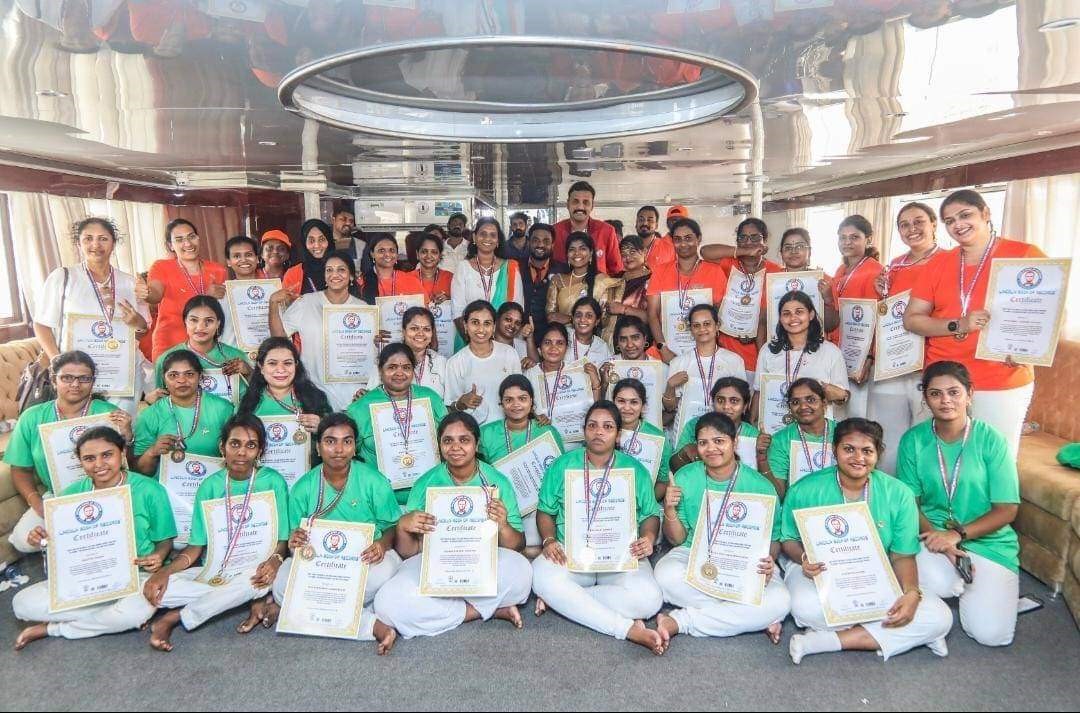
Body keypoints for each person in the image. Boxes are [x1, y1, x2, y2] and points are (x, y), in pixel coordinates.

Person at [782, 418, 953, 664]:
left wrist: (912, 593)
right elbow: (787, 538)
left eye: (867, 451)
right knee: (804, 607)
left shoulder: (899, 494)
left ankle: (828, 640)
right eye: (849, 449)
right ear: (834, 450)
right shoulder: (805, 489)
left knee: (940, 617)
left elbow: (902, 555)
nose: (857, 457)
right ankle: (902, 633)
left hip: (875, 574)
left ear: (879, 454)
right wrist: (802, 558)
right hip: (818, 572)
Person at [904, 188, 1046, 456]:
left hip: (1000, 378)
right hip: (942, 379)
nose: (958, 224)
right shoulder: (938, 264)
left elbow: (1048, 314)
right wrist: (960, 325)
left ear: (986, 214)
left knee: (995, 460)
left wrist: (1031, 349)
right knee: (936, 460)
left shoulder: (1025, 254)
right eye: (949, 220)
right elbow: (912, 319)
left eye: (965, 215)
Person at [12, 427, 176, 650]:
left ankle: (53, 628)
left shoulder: (150, 490)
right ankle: (104, 615)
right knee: (21, 603)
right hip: (86, 577)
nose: (99, 464)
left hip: (137, 575)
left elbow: (165, 540)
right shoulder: (69, 495)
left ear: (122, 452)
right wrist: (40, 537)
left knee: (131, 614)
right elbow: (60, 543)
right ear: (79, 461)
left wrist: (159, 555)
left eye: (107, 455)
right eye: (89, 458)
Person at [374, 413, 533, 638]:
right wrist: (403, 526)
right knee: (385, 604)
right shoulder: (425, 483)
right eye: (448, 440)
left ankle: (448, 608)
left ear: (477, 444)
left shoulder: (497, 481)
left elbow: (516, 546)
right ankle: (482, 610)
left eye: (464, 440)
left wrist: (504, 525)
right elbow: (409, 553)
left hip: (481, 560)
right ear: (439, 445)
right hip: (435, 561)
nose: (455, 447)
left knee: (522, 571)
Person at [896, 361, 1020, 647]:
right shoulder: (913, 440)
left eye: (954, 392)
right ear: (925, 398)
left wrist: (957, 535)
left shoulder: (992, 440)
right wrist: (940, 540)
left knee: (992, 636)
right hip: (933, 537)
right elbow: (909, 505)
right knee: (942, 582)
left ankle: (988, 591)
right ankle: (946, 599)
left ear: (970, 394)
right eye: (935, 393)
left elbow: (1007, 509)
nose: (945, 401)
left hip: (986, 541)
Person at [142, 414, 291, 651]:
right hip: (216, 567)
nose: (242, 452)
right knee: (159, 588)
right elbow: (195, 548)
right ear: (222, 447)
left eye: (250, 445)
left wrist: (274, 561)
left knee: (257, 582)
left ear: (260, 450)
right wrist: (165, 572)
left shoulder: (273, 482)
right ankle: (237, 599)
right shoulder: (209, 486)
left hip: (256, 567)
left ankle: (174, 618)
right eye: (235, 444)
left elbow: (283, 540)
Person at [531, 401, 665, 654]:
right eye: (592, 426)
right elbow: (545, 511)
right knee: (540, 576)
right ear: (584, 430)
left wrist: (648, 537)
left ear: (618, 434)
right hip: (569, 552)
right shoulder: (562, 464)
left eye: (607, 426)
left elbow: (650, 515)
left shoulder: (634, 469)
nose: (599, 432)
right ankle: (626, 629)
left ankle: (564, 601)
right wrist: (549, 541)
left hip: (620, 555)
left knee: (650, 600)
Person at [261, 413, 401, 654]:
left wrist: (381, 543)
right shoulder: (303, 486)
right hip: (320, 563)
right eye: (330, 441)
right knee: (282, 584)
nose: (338, 449)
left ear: (355, 447)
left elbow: (392, 527)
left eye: (347, 441)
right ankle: (370, 624)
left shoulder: (373, 480)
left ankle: (296, 610)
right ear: (318, 447)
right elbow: (294, 539)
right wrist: (295, 541)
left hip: (365, 558)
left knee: (385, 573)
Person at [654, 413, 790, 647]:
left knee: (782, 600)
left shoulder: (761, 486)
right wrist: (669, 510)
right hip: (694, 551)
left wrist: (770, 560)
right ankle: (753, 617)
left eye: (719, 441)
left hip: (745, 560)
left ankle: (681, 620)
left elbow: (774, 539)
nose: (711, 449)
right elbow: (677, 539)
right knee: (664, 574)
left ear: (734, 442)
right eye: (703, 443)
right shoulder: (686, 476)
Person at [3, 351, 132, 554]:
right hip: (58, 496)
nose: (75, 384)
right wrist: (37, 502)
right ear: (54, 380)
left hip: (107, 492)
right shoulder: (32, 417)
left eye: (84, 378)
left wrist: (127, 435)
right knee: (23, 541)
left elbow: (128, 465)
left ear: (93, 381)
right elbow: (20, 469)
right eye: (67, 378)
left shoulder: (108, 413)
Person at [33, 217, 151, 414]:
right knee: (80, 433)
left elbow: (142, 330)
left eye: (103, 239)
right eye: (88, 238)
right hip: (76, 375)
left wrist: (135, 321)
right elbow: (41, 324)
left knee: (120, 430)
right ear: (79, 243)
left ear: (113, 243)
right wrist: (58, 363)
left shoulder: (130, 282)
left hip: (121, 372)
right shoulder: (63, 277)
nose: (95, 245)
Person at [867, 202, 940, 472]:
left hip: (928, 363)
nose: (912, 229)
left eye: (919, 221)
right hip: (893, 363)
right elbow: (890, 315)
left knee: (925, 436)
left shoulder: (948, 262)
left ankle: (921, 500)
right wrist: (881, 295)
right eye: (904, 224)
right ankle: (890, 495)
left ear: (934, 224)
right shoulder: (895, 266)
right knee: (887, 434)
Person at [348, 344, 448, 506]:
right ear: (380, 371)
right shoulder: (360, 407)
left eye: (406, 367)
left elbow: (448, 439)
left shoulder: (431, 398)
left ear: (413, 370)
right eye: (392, 367)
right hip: (380, 499)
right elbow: (350, 455)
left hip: (429, 496)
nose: (399, 373)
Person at [478, 375, 566, 556]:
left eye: (522, 399)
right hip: (505, 508)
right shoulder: (486, 433)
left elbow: (560, 476)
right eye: (509, 400)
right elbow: (480, 475)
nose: (516, 404)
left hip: (540, 508)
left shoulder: (547, 431)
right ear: (501, 404)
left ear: (532, 402)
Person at [269, 250, 368, 410]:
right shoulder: (307, 302)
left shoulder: (363, 309)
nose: (334, 274)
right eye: (329, 270)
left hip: (353, 393)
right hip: (314, 390)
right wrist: (273, 305)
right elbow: (279, 340)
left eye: (341, 269)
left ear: (351, 276)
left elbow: (371, 353)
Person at [133, 350, 236, 475]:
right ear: (163, 379)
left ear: (200, 376)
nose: (181, 380)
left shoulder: (223, 409)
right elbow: (141, 472)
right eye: (173, 375)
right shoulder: (149, 415)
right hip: (167, 490)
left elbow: (236, 457)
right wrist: (152, 452)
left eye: (189, 374)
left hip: (212, 485)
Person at [138, 218, 228, 360]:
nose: (187, 244)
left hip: (207, 346)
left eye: (191, 237)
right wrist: (147, 293)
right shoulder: (161, 267)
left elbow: (222, 311)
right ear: (170, 245)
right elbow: (155, 294)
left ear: (198, 238)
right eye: (179, 239)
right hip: (170, 345)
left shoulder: (217, 270)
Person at [753, 291, 850, 419]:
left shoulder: (831, 352)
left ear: (811, 315)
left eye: (799, 312)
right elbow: (759, 392)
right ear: (780, 319)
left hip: (815, 431)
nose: (793, 318)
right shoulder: (768, 350)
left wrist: (840, 395)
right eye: (786, 314)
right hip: (776, 427)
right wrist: (754, 423)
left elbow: (843, 396)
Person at [647, 218, 729, 361]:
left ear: (699, 238)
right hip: (667, 353)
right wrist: (663, 348)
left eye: (688, 238)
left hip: (705, 352)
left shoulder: (714, 271)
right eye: (677, 239)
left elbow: (720, 314)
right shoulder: (660, 271)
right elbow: (652, 314)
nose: (683, 244)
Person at [827, 215, 885, 418]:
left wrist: (871, 356)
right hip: (839, 349)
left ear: (868, 239)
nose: (847, 243)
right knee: (838, 413)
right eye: (842, 238)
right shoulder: (841, 269)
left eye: (854, 237)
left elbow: (879, 319)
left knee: (857, 414)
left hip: (861, 354)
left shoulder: (875, 271)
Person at [713, 219, 785, 377]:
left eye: (754, 237)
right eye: (742, 238)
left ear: (764, 240)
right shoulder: (729, 264)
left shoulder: (776, 272)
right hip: (727, 351)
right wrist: (744, 251)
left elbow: (777, 315)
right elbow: (705, 252)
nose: (748, 242)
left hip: (758, 353)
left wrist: (755, 331)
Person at [663, 304, 744, 435]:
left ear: (717, 326)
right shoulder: (679, 362)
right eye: (696, 325)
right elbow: (670, 407)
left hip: (722, 429)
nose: (702, 329)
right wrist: (670, 386)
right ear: (690, 329)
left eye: (707, 324)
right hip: (686, 431)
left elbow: (740, 403)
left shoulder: (734, 361)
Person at [152, 296, 250, 401]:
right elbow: (161, 401)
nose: (200, 327)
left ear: (218, 323)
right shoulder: (166, 359)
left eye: (209, 320)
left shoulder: (236, 357)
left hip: (232, 417)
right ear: (185, 321)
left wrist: (249, 372)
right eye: (194, 320)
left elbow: (256, 396)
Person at [445, 300, 522, 426]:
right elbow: (450, 409)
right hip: (474, 433)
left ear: (494, 326)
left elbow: (520, 394)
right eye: (475, 322)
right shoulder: (455, 363)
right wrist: (461, 403)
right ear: (465, 325)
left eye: (487, 323)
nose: (481, 329)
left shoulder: (509, 353)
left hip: (507, 430)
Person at [236, 338, 331, 439]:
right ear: (261, 367)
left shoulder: (315, 398)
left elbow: (334, 439)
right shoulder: (248, 402)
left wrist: (323, 428)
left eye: (287, 363)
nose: (281, 370)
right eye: (272, 363)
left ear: (296, 365)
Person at [524, 323, 603, 444]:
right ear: (539, 347)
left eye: (560, 343)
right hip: (542, 439)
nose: (553, 348)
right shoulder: (530, 374)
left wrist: (596, 383)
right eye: (547, 342)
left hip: (575, 444)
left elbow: (595, 409)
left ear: (567, 347)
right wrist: (535, 417)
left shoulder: (578, 372)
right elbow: (523, 408)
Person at [450, 218, 524, 345]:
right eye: (483, 234)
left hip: (503, 342)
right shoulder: (463, 268)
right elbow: (457, 311)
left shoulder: (510, 268)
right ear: (474, 237)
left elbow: (517, 309)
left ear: (498, 240)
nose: (487, 239)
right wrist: (475, 344)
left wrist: (494, 345)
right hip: (468, 342)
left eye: (493, 235)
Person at [760, 378, 837, 499]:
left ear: (824, 403)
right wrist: (762, 459)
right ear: (789, 408)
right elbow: (779, 494)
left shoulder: (843, 433)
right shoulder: (780, 440)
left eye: (811, 400)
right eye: (795, 402)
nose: (803, 406)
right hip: (797, 506)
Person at [670, 377, 761, 475]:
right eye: (720, 400)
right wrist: (684, 453)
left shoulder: (753, 434)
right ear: (713, 402)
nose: (726, 406)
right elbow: (674, 468)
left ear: (745, 406)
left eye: (734, 401)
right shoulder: (694, 425)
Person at [364, 307, 449, 400]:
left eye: (426, 329)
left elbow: (448, 402)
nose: (420, 333)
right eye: (414, 328)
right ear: (404, 331)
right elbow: (371, 396)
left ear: (432, 333)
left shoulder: (442, 363)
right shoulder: (387, 359)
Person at [545, 233, 620, 336]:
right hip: (563, 340)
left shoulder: (602, 281)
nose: (577, 253)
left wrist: (570, 319)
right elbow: (551, 316)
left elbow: (604, 320)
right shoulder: (557, 280)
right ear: (567, 254)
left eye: (582, 249)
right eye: (572, 249)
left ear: (591, 253)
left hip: (592, 340)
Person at [612, 378, 671, 500]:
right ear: (613, 402)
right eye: (621, 401)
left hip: (644, 504)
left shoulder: (657, 438)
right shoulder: (603, 431)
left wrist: (645, 505)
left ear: (643, 407)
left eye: (634, 402)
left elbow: (662, 481)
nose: (627, 408)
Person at [553, 181, 623, 275]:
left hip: (598, 288)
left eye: (586, 202)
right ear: (568, 204)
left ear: (592, 206)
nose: (580, 207)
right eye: (575, 201)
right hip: (562, 288)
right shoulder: (554, 231)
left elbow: (616, 270)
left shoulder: (606, 231)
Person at [519, 222, 567, 346]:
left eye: (546, 241)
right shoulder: (515, 267)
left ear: (552, 245)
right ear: (528, 242)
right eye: (535, 240)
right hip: (519, 337)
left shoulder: (564, 270)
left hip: (552, 341)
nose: (540, 245)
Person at [603, 235, 652, 343]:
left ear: (644, 251)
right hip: (611, 340)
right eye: (623, 255)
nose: (628, 257)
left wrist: (623, 309)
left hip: (640, 341)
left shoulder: (653, 280)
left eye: (632, 252)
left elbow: (655, 318)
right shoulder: (614, 280)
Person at [358, 234, 425, 306]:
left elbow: (424, 311)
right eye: (381, 250)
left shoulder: (411, 281)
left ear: (397, 254)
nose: (387, 254)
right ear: (372, 254)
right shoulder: (361, 282)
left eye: (392, 250)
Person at [281, 219, 332, 296]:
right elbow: (287, 305)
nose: (317, 245)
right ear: (304, 243)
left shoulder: (342, 269)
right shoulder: (293, 274)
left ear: (329, 241)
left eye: (322, 239)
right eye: (311, 240)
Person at [566, 296, 613, 368]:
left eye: (589, 316)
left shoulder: (602, 347)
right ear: (573, 319)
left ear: (597, 321)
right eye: (578, 315)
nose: (582, 320)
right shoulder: (563, 336)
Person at [413, 232, 454, 308]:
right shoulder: (407, 278)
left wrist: (449, 301)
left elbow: (459, 304)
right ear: (417, 254)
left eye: (434, 252)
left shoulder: (450, 278)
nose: (429, 256)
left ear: (440, 255)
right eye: (424, 251)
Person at [494, 301, 536, 369]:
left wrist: (530, 338)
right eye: (508, 320)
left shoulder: (523, 346)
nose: (512, 325)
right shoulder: (485, 344)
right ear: (497, 319)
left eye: (517, 323)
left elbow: (537, 367)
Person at [633, 205, 676, 271]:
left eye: (650, 220)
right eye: (641, 219)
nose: (645, 223)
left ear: (656, 225)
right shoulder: (627, 248)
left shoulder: (669, 248)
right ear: (636, 223)